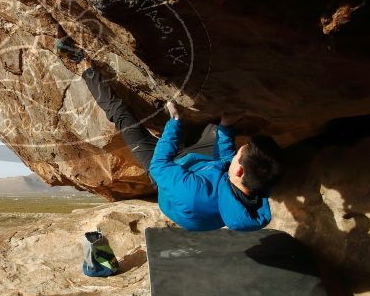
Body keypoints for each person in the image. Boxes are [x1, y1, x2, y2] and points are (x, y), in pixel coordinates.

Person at [69, 55, 282, 232]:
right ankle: (202, 131)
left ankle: (85, 68)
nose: (234, 154)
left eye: (238, 155)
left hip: (169, 176)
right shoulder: (250, 193)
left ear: (239, 171)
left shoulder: (192, 191)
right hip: (198, 168)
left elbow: (160, 165)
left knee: (122, 117)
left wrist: (175, 124)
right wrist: (225, 127)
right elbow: (225, 162)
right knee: (215, 129)